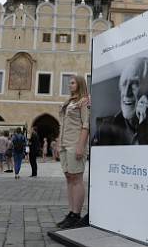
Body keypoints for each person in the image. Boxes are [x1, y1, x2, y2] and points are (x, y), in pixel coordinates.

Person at [55, 75, 90, 229]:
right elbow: (62, 125)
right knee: (69, 178)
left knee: (77, 178)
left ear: (80, 84)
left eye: (73, 82)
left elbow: (86, 125)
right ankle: (71, 212)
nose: (70, 85)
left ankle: (76, 214)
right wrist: (58, 143)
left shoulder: (84, 101)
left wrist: (81, 145)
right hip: (64, 144)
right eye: (69, 83)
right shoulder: (68, 102)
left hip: (75, 143)